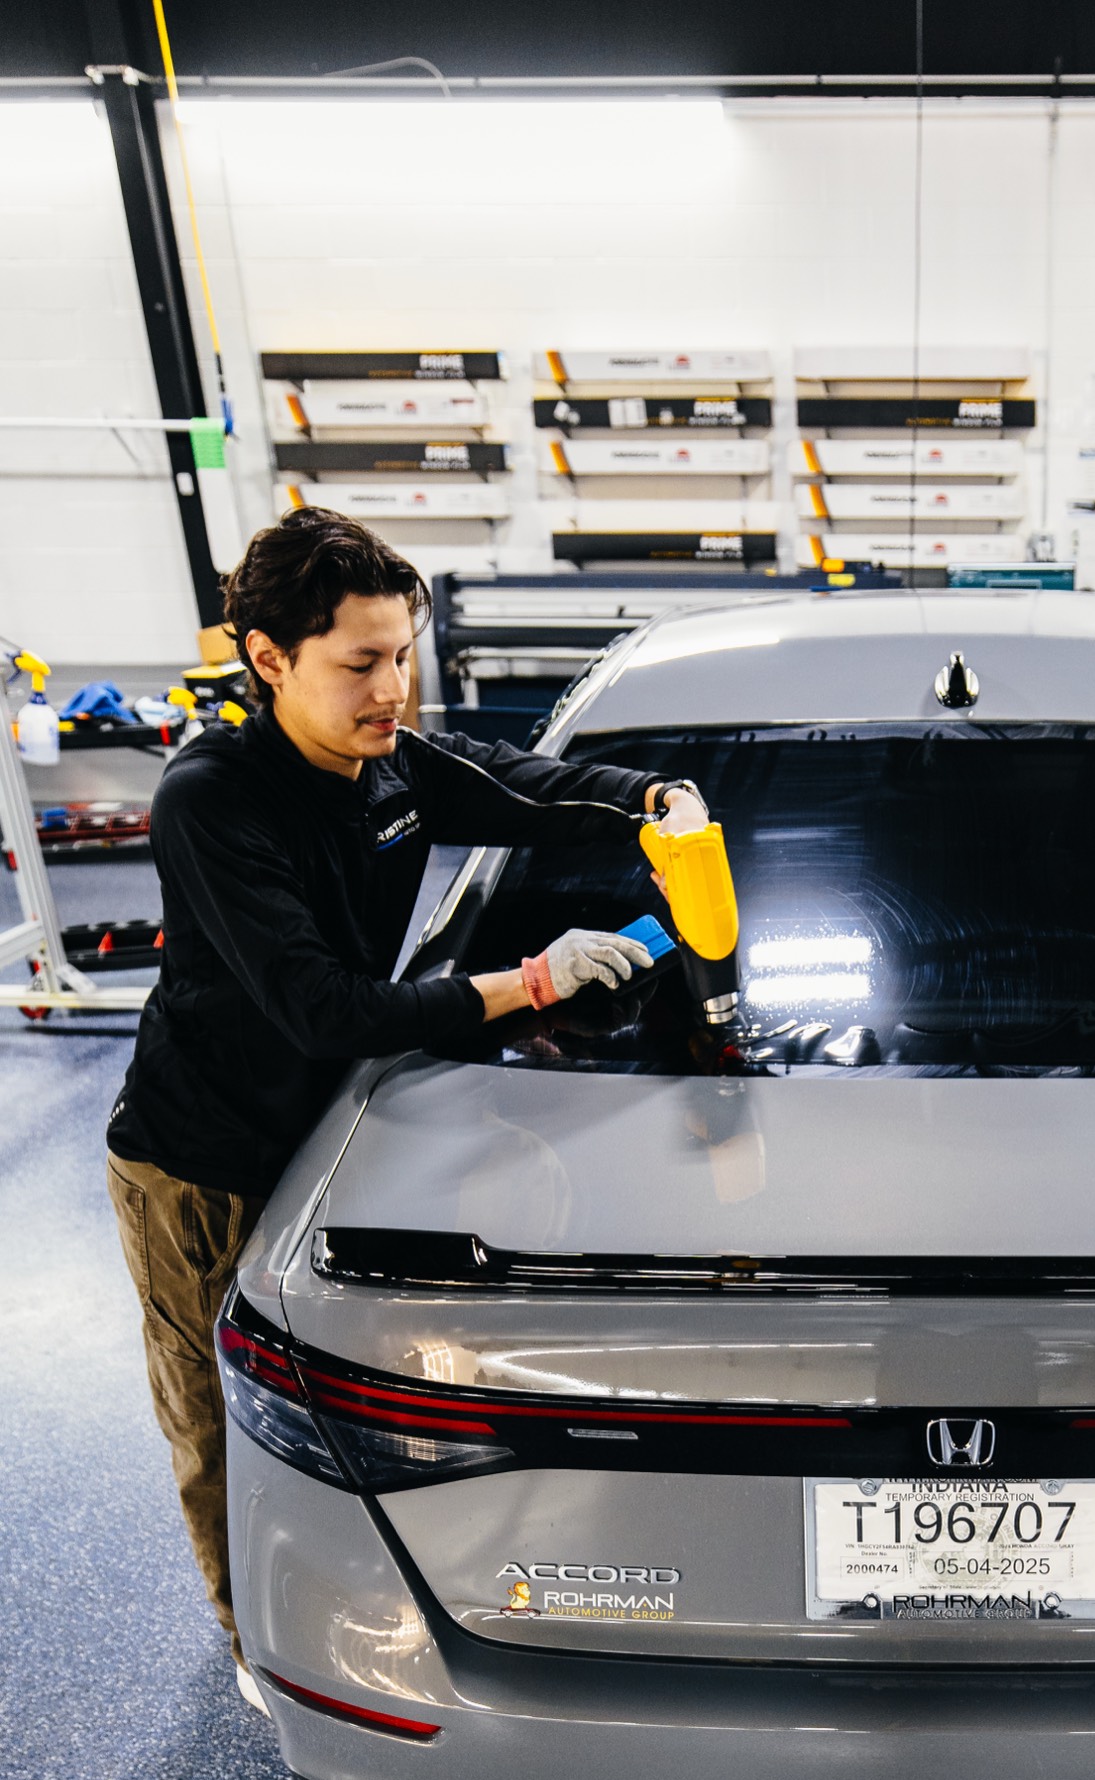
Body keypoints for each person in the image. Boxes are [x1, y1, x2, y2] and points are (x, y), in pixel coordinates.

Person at [105, 507, 687, 1713]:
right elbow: (326, 1007)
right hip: (200, 1159)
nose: (392, 688)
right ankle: (247, 1636)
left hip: (333, 1133)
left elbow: (528, 784)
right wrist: (527, 981)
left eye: (402, 655)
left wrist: (653, 797)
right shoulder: (212, 800)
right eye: (359, 664)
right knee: (224, 1411)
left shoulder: (392, 768)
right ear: (269, 659)